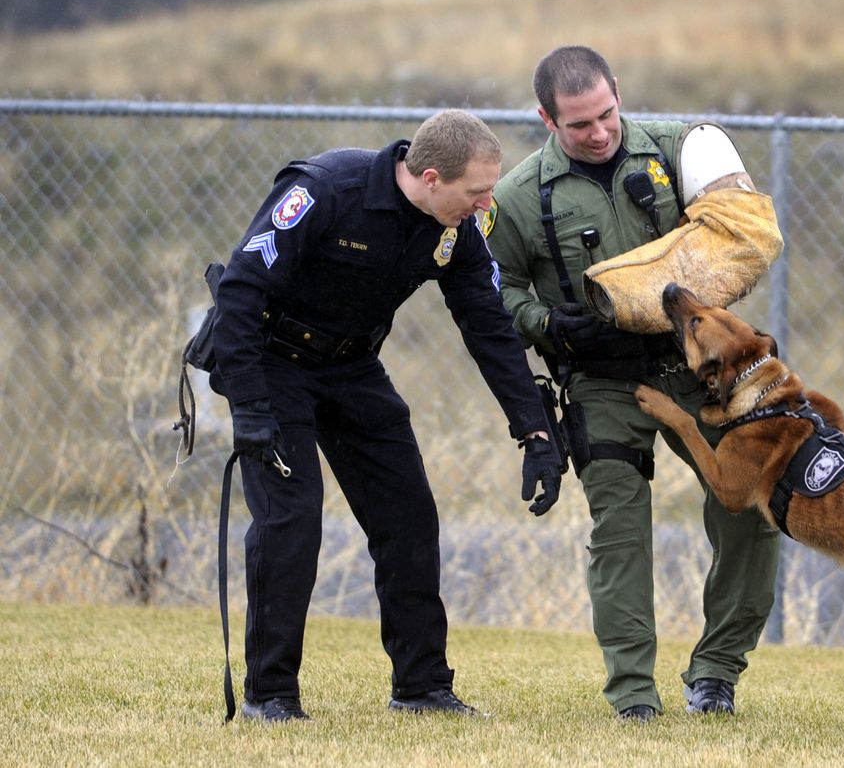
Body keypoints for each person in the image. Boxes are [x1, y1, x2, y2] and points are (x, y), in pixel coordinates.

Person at [210, 109, 562, 723]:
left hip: (350, 368)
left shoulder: (454, 228)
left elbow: (488, 324)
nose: (485, 205)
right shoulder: (325, 191)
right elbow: (241, 291)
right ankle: (269, 696)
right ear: (430, 178)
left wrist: (533, 429)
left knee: (409, 517)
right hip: (272, 362)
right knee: (291, 522)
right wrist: (252, 409)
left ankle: (422, 688)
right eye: (477, 192)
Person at [482, 46, 781, 721]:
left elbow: (744, 235)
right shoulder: (520, 198)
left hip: (694, 375)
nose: (599, 132)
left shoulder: (683, 152)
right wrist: (549, 324)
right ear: (547, 118)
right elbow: (493, 289)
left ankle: (716, 675)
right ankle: (634, 698)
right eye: (579, 124)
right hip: (600, 383)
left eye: (607, 114)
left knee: (751, 511)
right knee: (621, 531)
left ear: (618, 92)